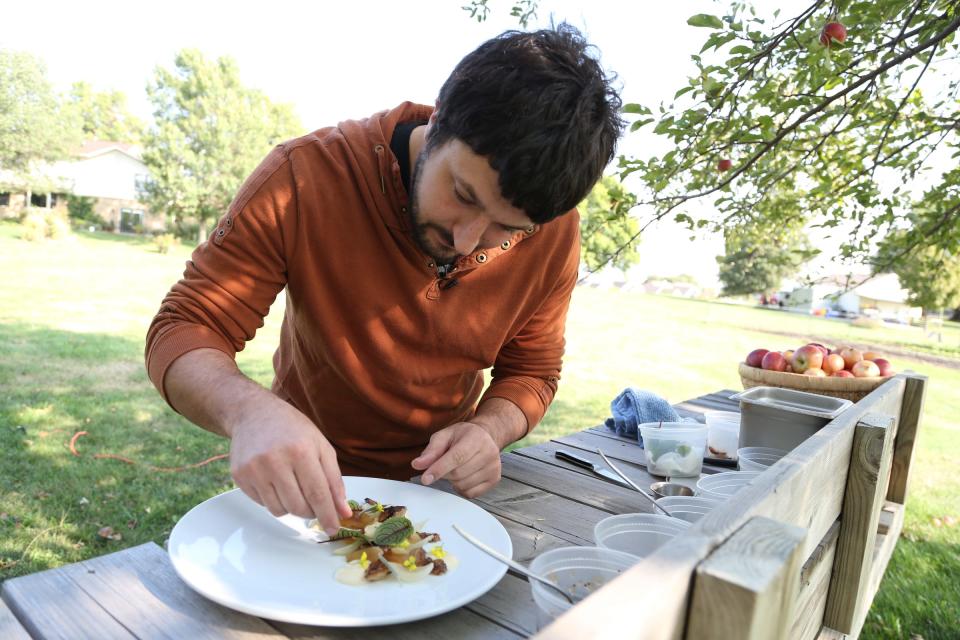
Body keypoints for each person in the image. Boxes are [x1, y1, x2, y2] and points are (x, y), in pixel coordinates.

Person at [145, 24, 624, 536]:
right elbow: (186, 326)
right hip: (308, 486)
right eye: (463, 194)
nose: (467, 241)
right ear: (439, 119)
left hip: (442, 495)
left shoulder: (555, 234)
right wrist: (247, 413)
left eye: (508, 229)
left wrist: (488, 430)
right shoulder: (305, 176)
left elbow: (533, 370)